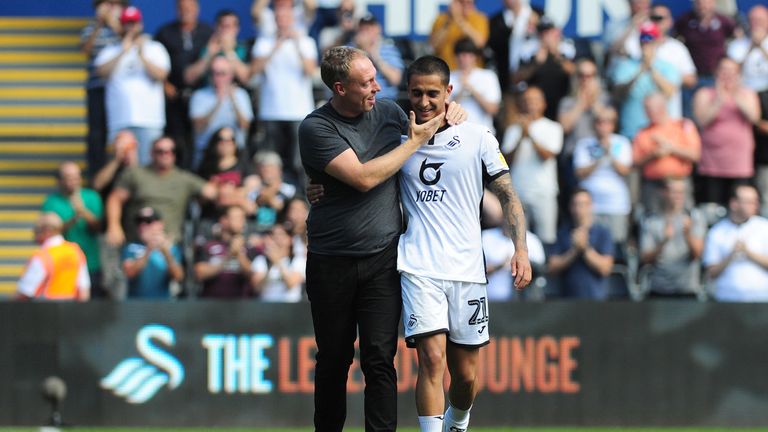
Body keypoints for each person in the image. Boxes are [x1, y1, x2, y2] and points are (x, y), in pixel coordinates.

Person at [297, 46, 465, 432]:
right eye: (367, 82)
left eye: (375, 77)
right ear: (340, 88)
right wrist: (413, 142)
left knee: (379, 359)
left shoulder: (390, 112)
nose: (378, 86)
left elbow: (436, 119)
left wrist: (454, 113)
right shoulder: (316, 128)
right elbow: (363, 178)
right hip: (331, 259)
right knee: (334, 360)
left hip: (382, 258)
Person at [398, 55, 531, 432]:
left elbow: (508, 194)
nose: (424, 102)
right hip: (418, 265)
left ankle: (458, 421)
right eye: (416, 93)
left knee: (467, 377)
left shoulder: (478, 138)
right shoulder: (399, 141)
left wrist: (520, 248)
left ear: (449, 93)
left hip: (467, 270)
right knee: (431, 359)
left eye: (432, 94)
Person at [105, 136, 217, 249]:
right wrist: (114, 225)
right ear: (151, 153)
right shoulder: (136, 174)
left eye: (170, 151)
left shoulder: (184, 179)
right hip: (137, 243)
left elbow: (212, 192)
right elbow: (116, 198)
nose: (165, 155)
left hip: (170, 244)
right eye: (160, 151)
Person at [251, 3, 318, 187]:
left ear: (294, 19)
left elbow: (310, 70)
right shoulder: (264, 42)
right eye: (279, 18)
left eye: (287, 18)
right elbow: (254, 70)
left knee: (300, 162)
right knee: (270, 162)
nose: (283, 21)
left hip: (299, 111)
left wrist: (296, 43)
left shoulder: (306, 41)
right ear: (274, 20)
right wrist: (276, 45)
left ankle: (302, 202)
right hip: (270, 111)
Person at [94, 6, 171, 166]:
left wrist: (141, 55)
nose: (130, 27)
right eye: (127, 23)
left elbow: (161, 75)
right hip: (120, 120)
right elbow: (101, 72)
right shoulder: (110, 50)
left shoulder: (154, 48)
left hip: (150, 120)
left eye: (133, 23)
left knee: (148, 167)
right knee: (120, 168)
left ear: (140, 25)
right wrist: (123, 51)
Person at [692, 57, 760, 209]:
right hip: (711, 164)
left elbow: (754, 117)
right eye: (724, 71)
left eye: (732, 71)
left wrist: (735, 95)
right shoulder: (704, 93)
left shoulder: (747, 94)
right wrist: (719, 99)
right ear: (716, 72)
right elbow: (701, 120)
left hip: (740, 164)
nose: (727, 75)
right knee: (712, 209)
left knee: (740, 206)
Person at [154, 0, 215, 169]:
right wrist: (164, 83)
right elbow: (156, 59)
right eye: (181, 8)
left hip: (201, 95)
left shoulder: (208, 32)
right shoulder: (165, 33)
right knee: (176, 140)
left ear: (197, 9)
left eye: (189, 7)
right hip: (174, 96)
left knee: (200, 140)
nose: (185, 11)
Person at [501, 86, 563, 246]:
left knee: (546, 240)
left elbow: (547, 156)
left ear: (544, 104)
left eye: (535, 101)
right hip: (518, 192)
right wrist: (521, 137)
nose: (531, 105)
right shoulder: (513, 129)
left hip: (544, 192)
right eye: (527, 101)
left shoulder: (553, 127)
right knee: (516, 241)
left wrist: (530, 135)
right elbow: (505, 160)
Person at [41, 162, 105, 298]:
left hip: (91, 263)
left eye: (77, 177)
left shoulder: (91, 196)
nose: (74, 181)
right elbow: (50, 233)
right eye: (69, 177)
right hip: (64, 265)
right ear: (60, 180)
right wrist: (74, 218)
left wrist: (83, 211)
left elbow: (99, 228)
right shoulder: (51, 202)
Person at [610, 21, 680, 140]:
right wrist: (640, 70)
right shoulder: (625, 65)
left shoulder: (668, 67)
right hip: (632, 133)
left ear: (658, 41)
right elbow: (618, 94)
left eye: (651, 39)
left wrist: (651, 67)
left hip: (660, 135)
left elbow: (670, 92)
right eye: (643, 39)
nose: (646, 43)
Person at [633, 93, 701, 214]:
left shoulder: (682, 125)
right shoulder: (643, 132)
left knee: (683, 217)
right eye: (646, 109)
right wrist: (653, 154)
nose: (647, 112)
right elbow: (636, 162)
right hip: (654, 185)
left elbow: (695, 155)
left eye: (650, 108)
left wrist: (671, 148)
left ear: (662, 107)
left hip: (679, 183)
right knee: (653, 219)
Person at [572, 107, 632, 244]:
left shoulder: (622, 142)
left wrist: (609, 153)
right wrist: (599, 157)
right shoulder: (584, 144)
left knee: (617, 243)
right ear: (594, 124)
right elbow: (580, 172)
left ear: (613, 125)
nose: (603, 126)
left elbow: (624, 171)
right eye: (599, 122)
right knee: (590, 242)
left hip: (616, 204)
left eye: (607, 122)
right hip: (590, 205)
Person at [639, 178, 706, 298]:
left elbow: (698, 255)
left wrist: (688, 235)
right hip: (658, 289)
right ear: (664, 192)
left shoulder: (695, 217)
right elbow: (645, 259)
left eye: (681, 192)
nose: (678, 196)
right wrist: (664, 241)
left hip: (687, 289)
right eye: (674, 192)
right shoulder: (651, 220)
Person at [80, 0, 125, 179]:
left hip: (121, 90)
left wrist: (115, 23)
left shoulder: (125, 27)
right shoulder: (90, 28)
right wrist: (99, 24)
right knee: (96, 134)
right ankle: (95, 173)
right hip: (97, 87)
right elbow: (85, 50)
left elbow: (129, 43)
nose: (110, 8)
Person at [703, 184, 768, 301]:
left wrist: (748, 252)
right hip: (727, 299)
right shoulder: (717, 231)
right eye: (748, 202)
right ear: (734, 204)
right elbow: (711, 273)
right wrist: (731, 255)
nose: (755, 206)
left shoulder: (765, 227)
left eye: (755, 201)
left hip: (761, 299)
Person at [548, 188, 615, 299]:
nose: (579, 209)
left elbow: (605, 268)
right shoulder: (563, 232)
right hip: (567, 302)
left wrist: (585, 249)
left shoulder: (602, 232)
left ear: (591, 206)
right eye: (575, 204)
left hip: (596, 300)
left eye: (583, 204)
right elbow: (552, 267)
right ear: (570, 207)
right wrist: (574, 251)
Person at [189, 55, 253, 170]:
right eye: (214, 73)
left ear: (231, 75)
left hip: (235, 154)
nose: (218, 78)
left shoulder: (240, 95)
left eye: (222, 73)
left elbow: (245, 125)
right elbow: (198, 127)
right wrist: (218, 102)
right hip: (207, 153)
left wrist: (233, 101)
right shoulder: (200, 95)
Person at [16, 213, 90, 301]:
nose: (34, 234)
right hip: (69, 309)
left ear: (47, 231)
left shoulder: (42, 256)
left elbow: (24, 293)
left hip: (43, 310)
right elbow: (84, 292)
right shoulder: (75, 251)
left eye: (37, 230)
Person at [193, 205, 259, 298]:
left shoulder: (249, 247)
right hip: (211, 305)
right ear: (224, 220)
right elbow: (199, 274)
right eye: (237, 218)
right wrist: (228, 256)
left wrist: (239, 255)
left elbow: (254, 278)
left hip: (241, 306)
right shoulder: (208, 246)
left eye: (243, 218)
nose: (242, 222)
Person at [122, 206, 184, 299]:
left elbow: (178, 276)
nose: (143, 226)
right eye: (139, 222)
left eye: (148, 222)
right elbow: (130, 273)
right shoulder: (131, 247)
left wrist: (165, 251)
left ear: (160, 224)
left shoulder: (171, 248)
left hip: (162, 306)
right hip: (135, 306)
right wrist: (148, 249)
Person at [184, 9, 251, 86]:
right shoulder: (205, 48)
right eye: (223, 26)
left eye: (229, 26)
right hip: (208, 94)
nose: (226, 30)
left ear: (237, 28)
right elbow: (188, 78)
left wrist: (229, 52)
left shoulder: (246, 49)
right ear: (216, 27)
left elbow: (247, 78)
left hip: (236, 95)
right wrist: (208, 55)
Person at [449, 37, 500, 133]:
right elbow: (444, 111)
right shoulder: (449, 77)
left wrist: (471, 89)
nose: (462, 58)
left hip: (483, 133)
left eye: (466, 54)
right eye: (459, 55)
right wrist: (461, 91)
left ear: (475, 57)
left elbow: (493, 109)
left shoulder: (488, 76)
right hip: (456, 133)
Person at [353, 13, 404, 101]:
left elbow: (395, 79)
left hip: (384, 101)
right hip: (357, 101)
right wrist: (360, 51)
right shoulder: (350, 50)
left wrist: (374, 56)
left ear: (378, 29)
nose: (366, 32)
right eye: (363, 29)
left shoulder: (389, 49)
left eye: (369, 28)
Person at [251, 223, 306, 302]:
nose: (277, 238)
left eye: (281, 235)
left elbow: (291, 284)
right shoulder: (261, 260)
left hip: (290, 310)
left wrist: (277, 262)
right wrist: (270, 265)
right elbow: (257, 288)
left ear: (290, 239)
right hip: (266, 309)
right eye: (273, 235)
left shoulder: (298, 261)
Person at [429, 0, 489, 70]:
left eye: (470, 3)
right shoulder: (441, 19)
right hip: (446, 69)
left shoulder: (479, 18)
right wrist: (448, 22)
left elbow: (480, 42)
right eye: (463, 2)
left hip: (472, 71)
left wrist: (459, 20)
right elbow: (433, 45)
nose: (467, 5)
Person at [728, 5, 768, 93]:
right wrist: (750, 47)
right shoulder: (736, 45)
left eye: (760, 20)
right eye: (754, 20)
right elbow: (732, 73)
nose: (757, 23)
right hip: (745, 90)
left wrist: (761, 47)